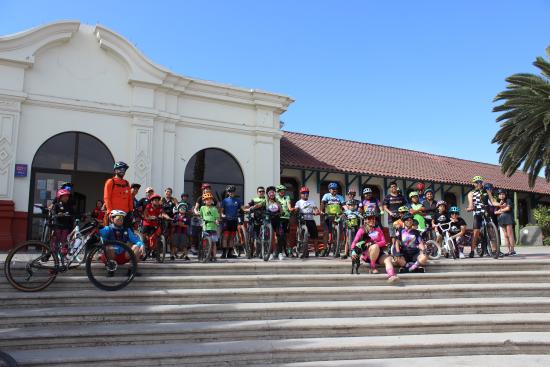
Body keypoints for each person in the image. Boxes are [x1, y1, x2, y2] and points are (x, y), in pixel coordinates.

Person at [351, 210, 399, 283]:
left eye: (373, 218)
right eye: (370, 218)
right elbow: (355, 241)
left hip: (378, 253)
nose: (372, 220)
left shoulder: (378, 230)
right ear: (365, 220)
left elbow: (384, 242)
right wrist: (353, 252)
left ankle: (392, 276)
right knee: (375, 247)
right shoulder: (362, 230)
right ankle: (372, 267)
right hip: (367, 254)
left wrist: (373, 243)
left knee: (388, 259)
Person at [467, 176, 495, 258]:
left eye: (480, 182)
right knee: (476, 232)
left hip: (486, 212)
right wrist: (470, 207)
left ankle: (494, 250)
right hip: (478, 213)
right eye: (476, 182)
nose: (478, 183)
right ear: (473, 184)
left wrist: (499, 205)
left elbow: (493, 201)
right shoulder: (471, 193)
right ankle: (472, 250)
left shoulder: (486, 191)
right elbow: (471, 204)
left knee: (491, 231)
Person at [103, 161, 133, 227]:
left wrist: (131, 211)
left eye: (124, 169)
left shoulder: (126, 183)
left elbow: (130, 198)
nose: (123, 171)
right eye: (121, 169)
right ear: (116, 170)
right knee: (112, 235)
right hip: (114, 214)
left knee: (128, 234)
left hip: (126, 214)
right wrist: (110, 212)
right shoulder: (111, 181)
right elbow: (107, 198)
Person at [294, 186, 321, 258]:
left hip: (311, 220)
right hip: (302, 220)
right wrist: (296, 210)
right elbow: (296, 209)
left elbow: (316, 209)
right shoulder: (298, 202)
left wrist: (317, 212)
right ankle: (302, 250)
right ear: (301, 194)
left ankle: (316, 251)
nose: (305, 194)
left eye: (307, 193)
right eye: (303, 193)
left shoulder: (311, 202)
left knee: (315, 237)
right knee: (301, 236)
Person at [320, 182, 345, 256]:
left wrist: (347, 211)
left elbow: (344, 205)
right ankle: (324, 249)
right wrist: (321, 211)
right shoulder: (326, 196)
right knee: (326, 232)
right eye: (332, 189)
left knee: (339, 233)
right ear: (329, 190)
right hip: (328, 216)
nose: (334, 190)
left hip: (337, 216)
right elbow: (323, 204)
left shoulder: (340, 197)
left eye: (335, 189)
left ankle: (337, 249)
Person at [50, 188, 75, 255]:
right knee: (56, 240)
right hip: (57, 225)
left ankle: (62, 254)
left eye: (67, 196)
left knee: (64, 240)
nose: (66, 198)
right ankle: (54, 253)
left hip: (66, 225)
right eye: (65, 196)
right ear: (60, 197)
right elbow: (54, 213)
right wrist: (58, 214)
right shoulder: (56, 205)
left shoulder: (69, 206)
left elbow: (73, 213)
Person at [220, 185, 243, 258]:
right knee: (225, 237)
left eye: (232, 191)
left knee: (232, 237)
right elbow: (221, 211)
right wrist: (222, 215)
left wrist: (250, 209)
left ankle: (230, 253)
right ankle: (224, 253)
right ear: (228, 192)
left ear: (234, 192)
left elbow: (242, 208)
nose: (231, 193)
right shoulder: (225, 200)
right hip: (227, 220)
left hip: (234, 220)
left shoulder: (238, 200)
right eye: (229, 191)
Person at [383, 181, 407, 249]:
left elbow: (405, 205)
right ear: (390, 189)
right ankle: (393, 249)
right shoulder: (387, 197)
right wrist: (390, 212)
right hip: (391, 219)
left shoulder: (401, 197)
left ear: (396, 187)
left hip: (400, 218)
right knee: (393, 235)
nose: (393, 188)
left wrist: (403, 213)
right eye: (392, 187)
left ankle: (402, 247)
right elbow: (385, 207)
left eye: (394, 186)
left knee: (402, 233)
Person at [492, 189, 517, 256]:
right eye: (500, 194)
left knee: (510, 234)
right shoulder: (498, 202)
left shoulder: (508, 200)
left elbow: (508, 208)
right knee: (505, 236)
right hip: (500, 219)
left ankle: (512, 250)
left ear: (505, 195)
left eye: (503, 194)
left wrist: (500, 210)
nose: (501, 195)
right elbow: (495, 212)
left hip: (508, 218)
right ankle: (509, 251)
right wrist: (501, 210)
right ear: (498, 195)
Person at [199, 192, 220, 262]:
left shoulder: (214, 209)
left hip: (213, 227)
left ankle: (214, 256)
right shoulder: (202, 208)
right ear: (204, 201)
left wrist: (217, 221)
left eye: (210, 199)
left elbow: (217, 217)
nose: (209, 201)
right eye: (207, 199)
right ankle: (205, 254)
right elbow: (201, 216)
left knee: (214, 243)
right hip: (205, 227)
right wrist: (201, 220)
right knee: (205, 242)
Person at [264, 186, 283, 260]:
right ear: (268, 194)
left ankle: (280, 253)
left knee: (280, 236)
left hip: (277, 220)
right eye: (270, 193)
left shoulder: (277, 201)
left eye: (273, 193)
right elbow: (258, 205)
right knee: (270, 237)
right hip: (269, 221)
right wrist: (251, 208)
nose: (272, 194)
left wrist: (281, 212)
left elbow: (281, 210)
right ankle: (270, 253)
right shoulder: (265, 201)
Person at [275, 184, 293, 257]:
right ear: (278, 192)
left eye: (284, 191)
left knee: (287, 235)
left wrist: (290, 208)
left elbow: (289, 205)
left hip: (286, 218)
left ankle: (288, 250)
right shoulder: (275, 198)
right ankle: (277, 251)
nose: (283, 192)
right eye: (281, 191)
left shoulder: (287, 197)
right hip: (278, 218)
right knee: (278, 235)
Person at [161, 188, 179, 261]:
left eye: (169, 192)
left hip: (172, 220)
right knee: (162, 237)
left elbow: (178, 207)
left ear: (171, 193)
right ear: (165, 192)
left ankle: (172, 254)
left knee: (172, 238)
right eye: (167, 192)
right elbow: (159, 208)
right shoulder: (161, 199)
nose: (168, 193)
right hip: (163, 220)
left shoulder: (173, 199)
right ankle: (161, 253)